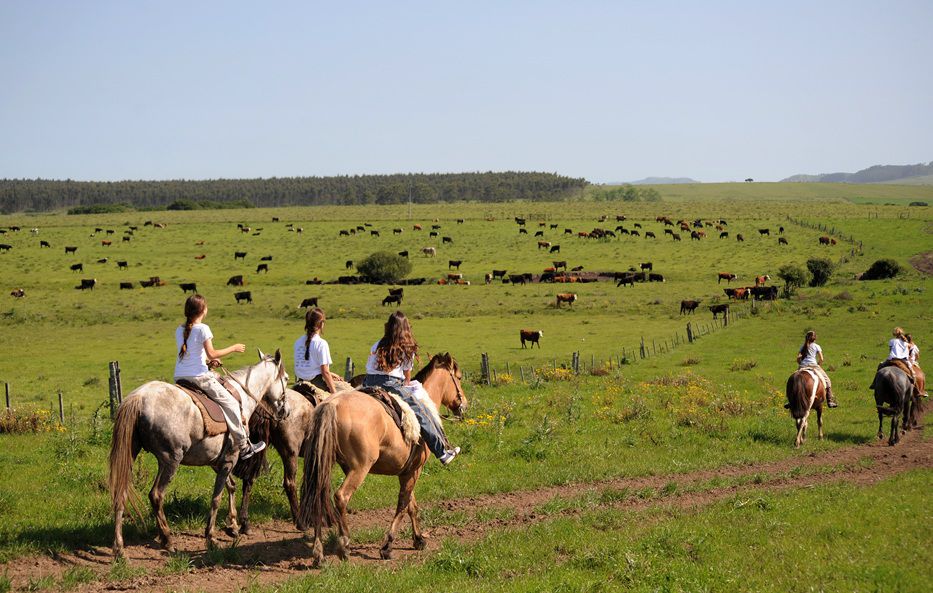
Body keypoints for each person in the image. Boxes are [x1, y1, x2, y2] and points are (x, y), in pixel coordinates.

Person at [362, 311, 460, 465]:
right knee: (421, 411)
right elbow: (407, 377)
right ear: (406, 328)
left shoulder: (377, 344)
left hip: (368, 382)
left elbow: (369, 367)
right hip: (390, 384)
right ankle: (442, 452)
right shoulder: (407, 348)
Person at [174, 294, 265, 460]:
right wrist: (234, 348)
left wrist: (209, 362)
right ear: (203, 310)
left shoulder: (179, 329)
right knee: (230, 403)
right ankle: (243, 445)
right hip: (199, 377)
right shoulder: (203, 329)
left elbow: (193, 354)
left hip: (180, 375)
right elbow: (212, 352)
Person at [293, 307, 350, 394]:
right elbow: (325, 372)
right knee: (346, 394)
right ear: (321, 324)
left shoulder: (297, 342)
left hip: (299, 384)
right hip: (316, 384)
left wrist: (331, 374)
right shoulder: (321, 344)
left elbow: (309, 367)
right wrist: (334, 392)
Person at [795, 330, 837, 408]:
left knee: (794, 381)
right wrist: (819, 366)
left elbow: (798, 359)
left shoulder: (802, 346)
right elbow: (821, 359)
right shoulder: (817, 346)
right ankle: (830, 401)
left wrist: (801, 365)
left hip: (803, 366)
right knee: (827, 381)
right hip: (813, 365)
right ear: (815, 338)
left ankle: (791, 401)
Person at [870, 327, 916, 391]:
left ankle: (874, 383)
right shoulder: (906, 343)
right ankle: (915, 387)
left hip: (892, 359)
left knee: (880, 366)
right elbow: (911, 348)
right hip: (903, 361)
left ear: (894, 334)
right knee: (912, 373)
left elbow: (890, 350)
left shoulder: (891, 341)